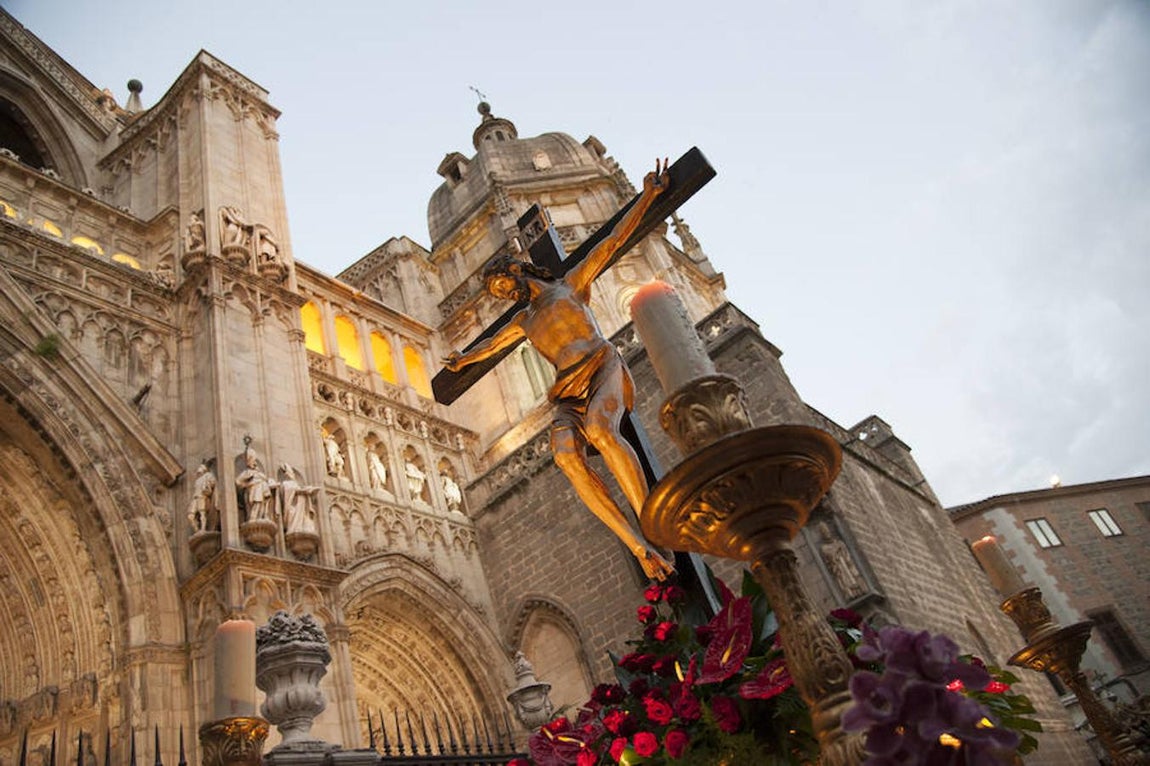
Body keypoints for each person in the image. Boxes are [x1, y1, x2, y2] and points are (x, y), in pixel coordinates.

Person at [444, 161, 673, 580]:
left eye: (503, 285)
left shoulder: (570, 284)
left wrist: (648, 197)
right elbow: (490, 346)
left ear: (519, 269)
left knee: (603, 432)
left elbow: (612, 241)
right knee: (566, 455)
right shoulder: (523, 321)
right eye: (497, 293)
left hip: (601, 363)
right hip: (566, 392)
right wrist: (462, 360)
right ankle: (636, 544)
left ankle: (651, 525)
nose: (504, 294)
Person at [235, 448, 276, 522]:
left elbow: (267, 480)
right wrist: (247, 484)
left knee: (262, 504)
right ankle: (253, 518)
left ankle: (263, 516)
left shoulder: (260, 474)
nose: (254, 464)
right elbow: (238, 482)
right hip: (252, 492)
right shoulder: (247, 473)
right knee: (256, 503)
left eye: (254, 461)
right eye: (252, 461)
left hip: (262, 493)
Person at [279, 464, 320, 536]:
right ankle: (294, 527)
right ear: (287, 473)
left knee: (302, 498)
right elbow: (291, 493)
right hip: (293, 507)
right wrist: (305, 491)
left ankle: (301, 526)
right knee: (301, 498)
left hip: (300, 508)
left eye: (292, 472)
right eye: (291, 472)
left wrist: (307, 491)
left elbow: (298, 490)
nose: (293, 474)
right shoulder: (286, 484)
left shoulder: (294, 484)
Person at [187, 462, 217, 533]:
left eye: (200, 467)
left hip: (202, 497)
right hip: (195, 498)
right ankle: (197, 530)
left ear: (204, 469)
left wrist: (207, 485)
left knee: (202, 514)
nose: (199, 469)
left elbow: (213, 482)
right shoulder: (197, 480)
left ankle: (203, 529)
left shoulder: (208, 475)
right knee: (190, 516)